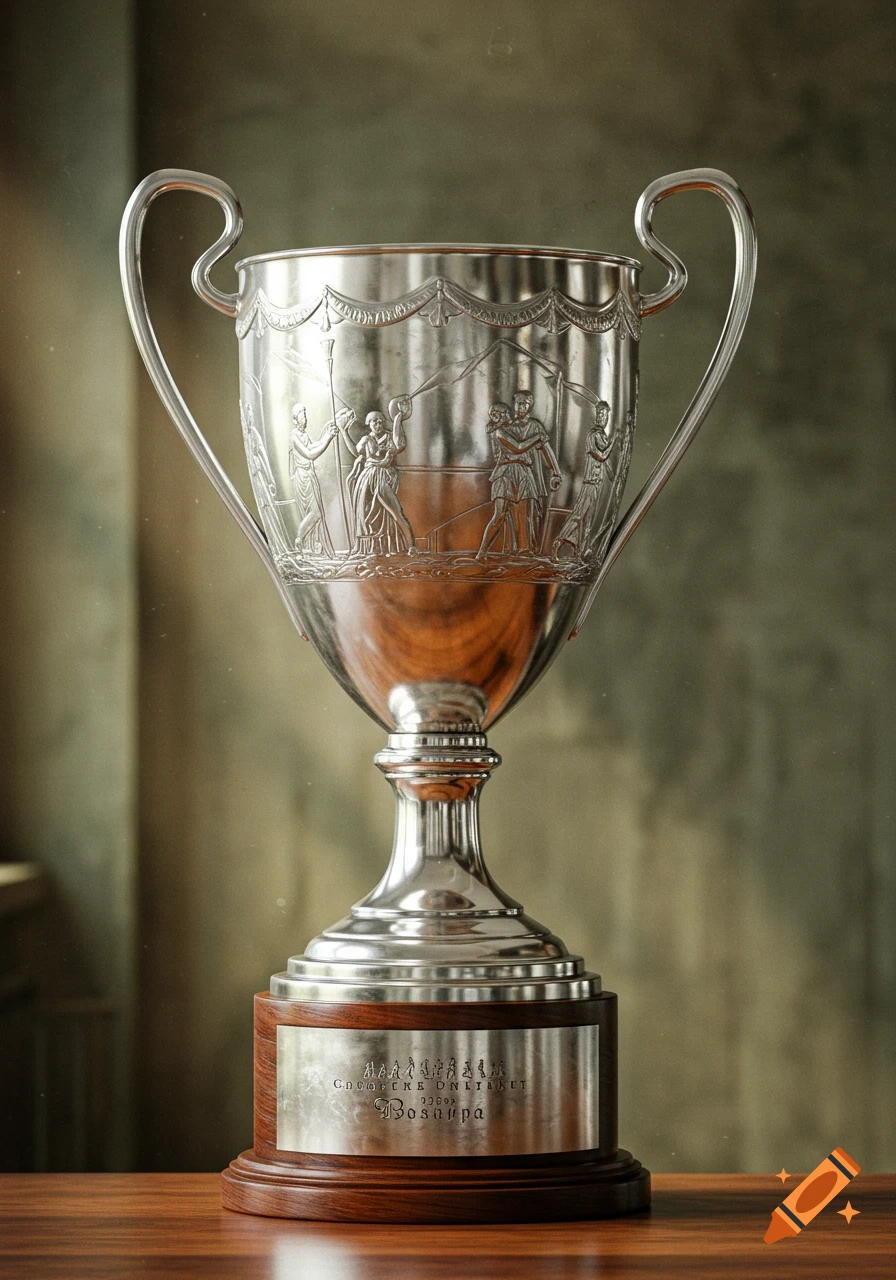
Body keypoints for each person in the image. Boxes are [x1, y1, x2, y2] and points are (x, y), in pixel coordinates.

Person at [477, 392, 560, 557]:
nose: (521, 407)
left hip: (524, 471)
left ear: (530, 406)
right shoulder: (505, 428)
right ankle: (483, 552)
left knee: (526, 513)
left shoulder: (535, 425)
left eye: (525, 404)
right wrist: (537, 438)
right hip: (506, 472)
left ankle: (525, 552)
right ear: (513, 405)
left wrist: (556, 472)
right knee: (500, 514)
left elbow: (547, 450)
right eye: (518, 403)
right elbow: (518, 447)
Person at [341, 396, 415, 555]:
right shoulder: (366, 439)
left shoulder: (389, 437)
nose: (378, 424)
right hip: (367, 478)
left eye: (381, 421)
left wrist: (398, 419)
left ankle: (411, 546)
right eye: (375, 421)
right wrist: (343, 431)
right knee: (365, 513)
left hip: (383, 477)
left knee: (395, 511)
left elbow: (399, 445)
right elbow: (355, 451)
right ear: (369, 424)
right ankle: (366, 549)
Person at [552, 400, 613, 560]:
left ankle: (578, 552)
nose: (602, 417)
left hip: (597, 484)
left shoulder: (602, 436)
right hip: (589, 483)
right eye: (599, 414)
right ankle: (559, 542)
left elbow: (607, 464)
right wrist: (614, 442)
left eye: (604, 414)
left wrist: (613, 478)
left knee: (588, 519)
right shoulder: (593, 435)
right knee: (579, 515)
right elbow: (601, 456)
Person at [288, 402, 338, 556]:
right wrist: (328, 438)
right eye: (302, 415)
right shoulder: (294, 436)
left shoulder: (304, 435)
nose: (305, 417)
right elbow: (310, 454)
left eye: (305, 414)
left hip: (309, 476)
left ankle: (311, 545)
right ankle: (299, 539)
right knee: (315, 513)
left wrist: (327, 435)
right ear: (295, 419)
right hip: (303, 478)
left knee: (316, 513)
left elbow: (313, 446)